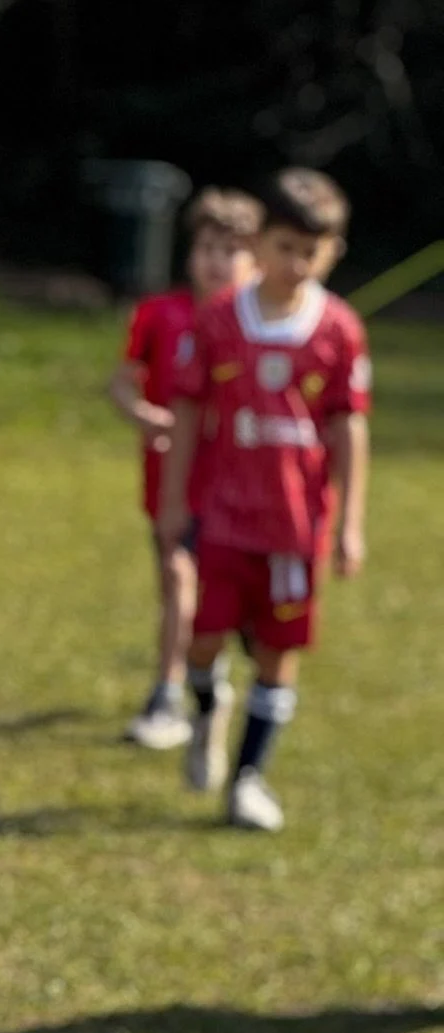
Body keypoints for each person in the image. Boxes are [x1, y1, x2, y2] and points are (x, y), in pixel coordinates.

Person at [158, 168, 371, 832]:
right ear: (261, 243)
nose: (297, 264)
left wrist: (350, 525)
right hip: (223, 519)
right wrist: (173, 500)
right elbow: (189, 410)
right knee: (204, 641)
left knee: (280, 653)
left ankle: (249, 779)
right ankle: (205, 713)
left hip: (295, 527)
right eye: (285, 247)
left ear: (332, 251)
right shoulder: (222, 317)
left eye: (313, 251)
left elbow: (347, 427)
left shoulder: (338, 328)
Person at [106, 187, 261, 748]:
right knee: (175, 579)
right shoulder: (159, 314)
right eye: (206, 247)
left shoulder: (258, 328)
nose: (215, 262)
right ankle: (167, 695)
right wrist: (150, 418)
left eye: (230, 250)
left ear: (254, 262)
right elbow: (121, 383)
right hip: (169, 479)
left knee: (231, 602)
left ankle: (211, 682)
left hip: (238, 492)